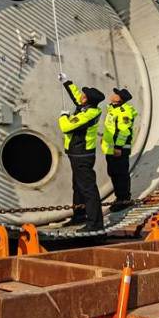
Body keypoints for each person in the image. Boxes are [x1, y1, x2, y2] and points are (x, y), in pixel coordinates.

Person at [57, 73, 105, 231]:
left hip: (82, 156)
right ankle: (79, 216)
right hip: (76, 154)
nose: (81, 96)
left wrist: (63, 116)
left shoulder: (88, 114)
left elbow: (66, 127)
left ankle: (95, 224)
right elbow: (76, 96)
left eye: (84, 95)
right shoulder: (86, 107)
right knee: (78, 186)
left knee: (88, 189)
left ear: (87, 100)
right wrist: (67, 82)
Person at [101, 87, 138, 212]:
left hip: (119, 150)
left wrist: (118, 147)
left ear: (120, 99)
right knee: (114, 173)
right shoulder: (113, 109)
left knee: (120, 174)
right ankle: (119, 198)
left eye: (116, 94)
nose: (113, 95)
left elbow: (124, 131)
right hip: (111, 149)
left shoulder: (123, 111)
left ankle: (124, 199)